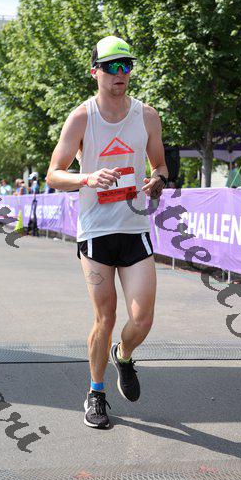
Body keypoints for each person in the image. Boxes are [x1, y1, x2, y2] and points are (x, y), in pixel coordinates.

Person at [46, 35, 168, 429]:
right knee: (105, 316)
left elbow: (160, 167)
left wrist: (157, 181)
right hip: (96, 232)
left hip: (134, 229)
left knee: (142, 319)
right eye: (112, 67)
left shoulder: (147, 116)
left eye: (126, 65)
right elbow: (53, 175)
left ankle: (124, 356)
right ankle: (96, 393)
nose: (121, 73)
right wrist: (87, 178)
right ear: (95, 72)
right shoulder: (82, 118)